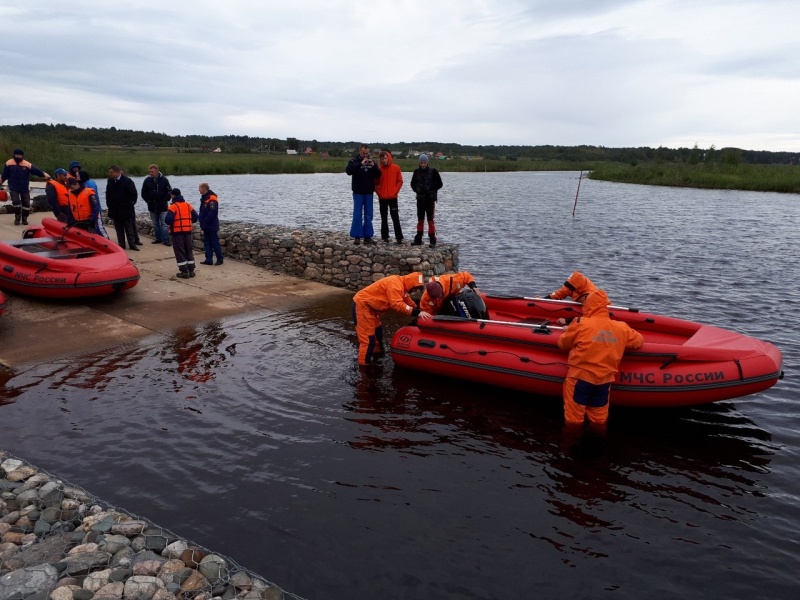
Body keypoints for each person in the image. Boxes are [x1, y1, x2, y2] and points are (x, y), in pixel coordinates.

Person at [556, 289, 644, 427]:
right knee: (599, 420)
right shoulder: (622, 328)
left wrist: (568, 330)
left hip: (580, 379)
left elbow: (562, 344)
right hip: (604, 382)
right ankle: (597, 444)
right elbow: (638, 340)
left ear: (588, 306)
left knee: (574, 420)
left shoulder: (580, 323)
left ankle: (571, 445)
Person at [351, 272, 431, 366]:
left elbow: (408, 301)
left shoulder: (403, 287)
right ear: (411, 284)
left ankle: (377, 356)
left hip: (372, 309)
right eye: (415, 288)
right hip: (362, 306)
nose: (415, 291)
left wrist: (420, 311)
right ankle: (364, 368)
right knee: (368, 340)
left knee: (378, 333)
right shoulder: (395, 285)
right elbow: (397, 304)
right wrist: (417, 313)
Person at [0, 148, 50, 225]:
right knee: (16, 202)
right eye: (17, 155)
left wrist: (46, 176)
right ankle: (17, 216)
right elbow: (4, 175)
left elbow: (37, 171)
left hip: (24, 187)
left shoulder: (27, 164)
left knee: (26, 204)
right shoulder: (9, 163)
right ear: (14, 155)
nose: (18, 156)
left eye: (20, 155)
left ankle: (24, 218)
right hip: (13, 187)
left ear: (22, 156)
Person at [345, 144, 381, 245]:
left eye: (367, 153)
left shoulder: (372, 162)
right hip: (358, 192)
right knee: (357, 215)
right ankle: (357, 237)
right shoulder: (354, 161)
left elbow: (379, 175)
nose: (365, 155)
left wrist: (373, 166)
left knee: (368, 216)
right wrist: (360, 164)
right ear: (360, 152)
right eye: (363, 153)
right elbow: (349, 171)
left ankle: (367, 236)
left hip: (369, 192)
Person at [409, 154, 443, 247]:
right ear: (419, 163)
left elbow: (440, 184)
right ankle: (418, 239)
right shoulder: (416, 172)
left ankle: (432, 240)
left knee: (430, 220)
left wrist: (432, 190)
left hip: (430, 200)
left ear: (427, 162)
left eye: (424, 163)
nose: (423, 164)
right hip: (420, 199)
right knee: (420, 220)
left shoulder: (433, 171)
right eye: (421, 163)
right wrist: (417, 190)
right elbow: (412, 184)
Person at [165, 188, 198, 279]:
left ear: (173, 196)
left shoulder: (173, 207)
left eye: (171, 195)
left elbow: (168, 220)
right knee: (188, 249)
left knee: (180, 251)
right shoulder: (188, 205)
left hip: (177, 232)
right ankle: (191, 270)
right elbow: (195, 217)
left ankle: (184, 271)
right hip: (188, 231)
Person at [105, 165, 140, 250]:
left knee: (129, 228)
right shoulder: (110, 181)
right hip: (115, 209)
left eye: (112, 172)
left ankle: (132, 244)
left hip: (126, 209)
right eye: (110, 172)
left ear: (117, 172)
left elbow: (133, 194)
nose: (110, 174)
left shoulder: (127, 181)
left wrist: (130, 204)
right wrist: (109, 205)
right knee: (118, 228)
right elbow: (108, 195)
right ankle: (121, 245)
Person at [375, 150, 404, 244]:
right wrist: (379, 193)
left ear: (388, 158)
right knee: (384, 218)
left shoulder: (396, 168)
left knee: (395, 218)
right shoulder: (378, 169)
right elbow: (375, 183)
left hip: (393, 197)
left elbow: (400, 181)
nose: (383, 160)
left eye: (385, 158)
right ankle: (385, 237)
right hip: (382, 197)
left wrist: (395, 191)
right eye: (381, 158)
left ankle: (399, 238)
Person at [140, 163, 172, 245]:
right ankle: (158, 238)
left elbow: (169, 192)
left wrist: (165, 200)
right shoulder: (147, 180)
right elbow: (143, 193)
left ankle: (166, 240)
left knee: (164, 224)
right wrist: (148, 201)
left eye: (152, 171)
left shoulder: (164, 180)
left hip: (163, 206)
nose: (151, 173)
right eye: (150, 171)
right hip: (152, 206)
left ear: (157, 171)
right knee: (155, 224)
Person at [197, 182, 223, 266]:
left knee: (214, 242)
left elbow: (213, 212)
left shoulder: (212, 198)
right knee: (207, 242)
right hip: (205, 224)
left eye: (200, 188)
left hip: (211, 224)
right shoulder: (204, 197)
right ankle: (209, 259)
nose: (199, 190)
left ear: (204, 188)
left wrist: (205, 221)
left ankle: (220, 259)